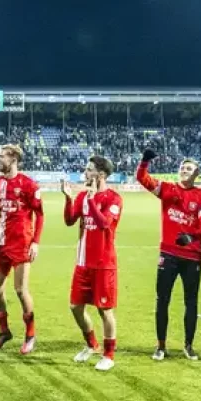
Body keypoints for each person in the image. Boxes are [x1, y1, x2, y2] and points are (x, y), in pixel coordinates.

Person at [135, 148, 201, 361]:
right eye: (182, 168)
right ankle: (161, 346)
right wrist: (144, 162)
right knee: (162, 300)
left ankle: (188, 345)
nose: (184, 171)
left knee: (191, 301)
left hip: (192, 256)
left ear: (197, 174)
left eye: (189, 169)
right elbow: (143, 179)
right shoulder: (167, 190)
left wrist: (191, 236)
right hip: (168, 254)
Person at [0, 144, 44, 354]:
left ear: (13, 159)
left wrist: (36, 242)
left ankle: (30, 334)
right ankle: (4, 332)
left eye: (1, 156)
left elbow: (39, 214)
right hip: (2, 245)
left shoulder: (28, 184)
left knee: (21, 290)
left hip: (22, 245)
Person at [62, 156, 123, 372]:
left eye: (89, 170)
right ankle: (92, 345)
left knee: (104, 310)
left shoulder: (113, 199)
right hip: (82, 263)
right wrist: (69, 199)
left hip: (103, 263)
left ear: (102, 175)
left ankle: (109, 355)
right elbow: (70, 220)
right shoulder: (83, 196)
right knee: (75, 307)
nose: (85, 173)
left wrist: (92, 200)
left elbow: (105, 223)